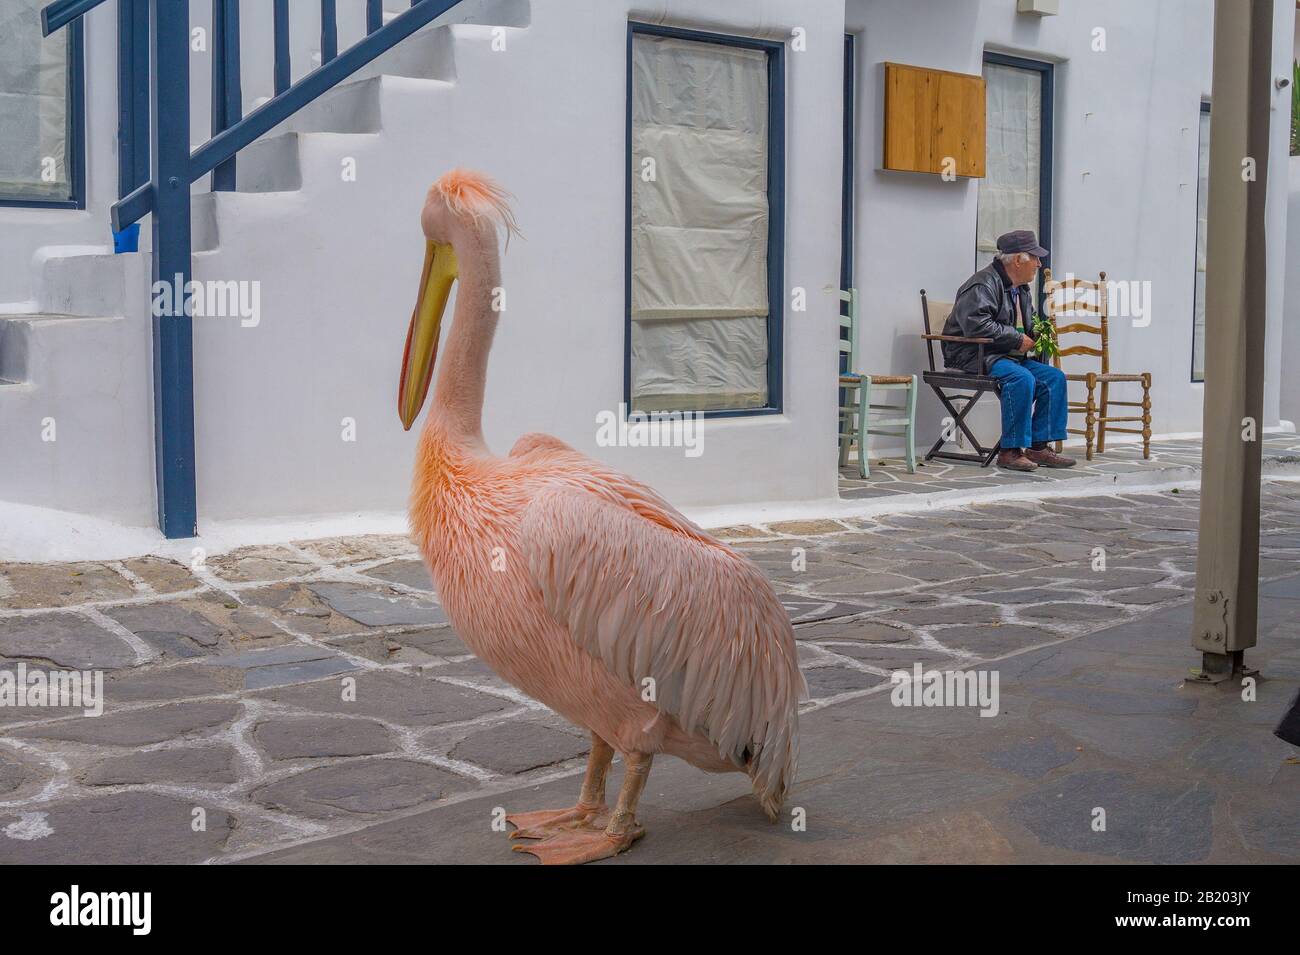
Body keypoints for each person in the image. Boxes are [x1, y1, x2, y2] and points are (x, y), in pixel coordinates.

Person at [941, 230, 1077, 472]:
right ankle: (1010, 451)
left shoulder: (1021, 289)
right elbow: (975, 324)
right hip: (975, 355)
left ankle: (1038, 447)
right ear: (1018, 260)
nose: (1038, 263)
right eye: (1034, 257)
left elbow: (1030, 320)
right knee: (1021, 378)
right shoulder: (982, 284)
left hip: (1005, 355)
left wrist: (1038, 334)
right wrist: (1016, 339)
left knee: (1053, 378)